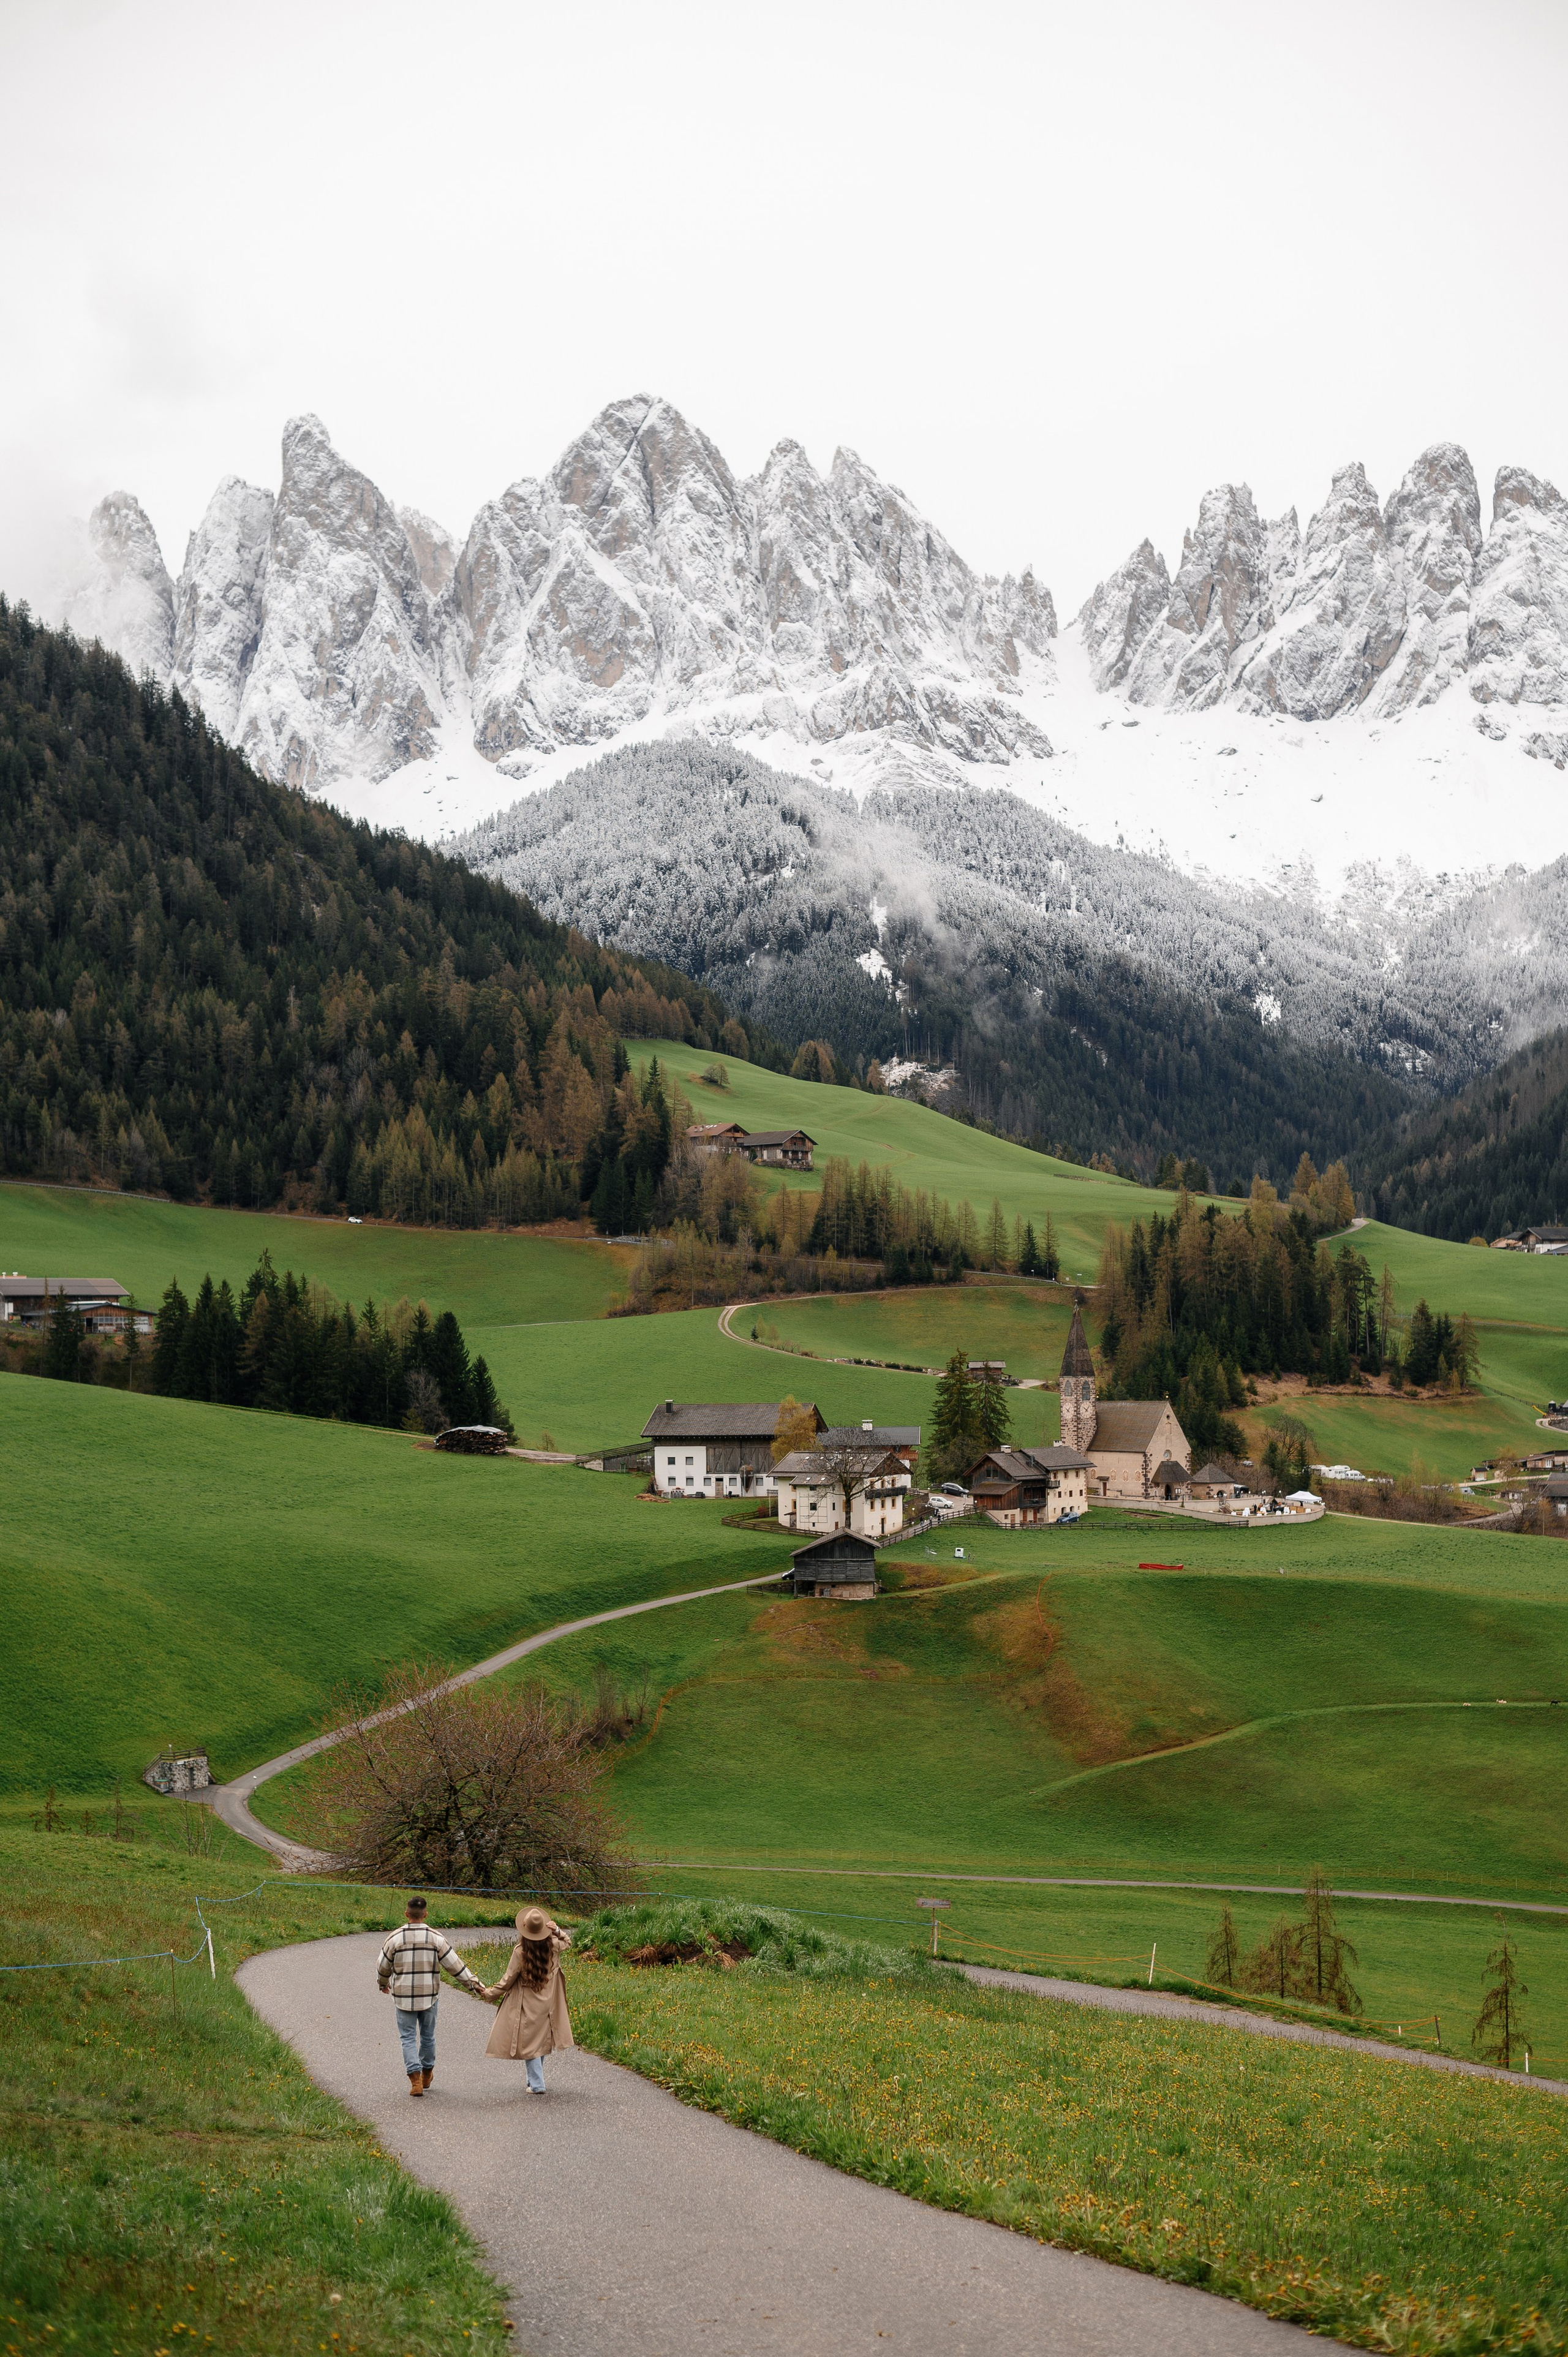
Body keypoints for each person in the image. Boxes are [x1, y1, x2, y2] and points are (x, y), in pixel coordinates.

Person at [377, 1893, 487, 2096]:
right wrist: (476, 1986)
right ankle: (427, 2073)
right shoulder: (436, 1938)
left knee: (408, 2038)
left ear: (406, 1914)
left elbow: (383, 1965)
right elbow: (455, 1966)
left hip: (403, 1999)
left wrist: (383, 1983)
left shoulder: (394, 1938)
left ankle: (416, 2081)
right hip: (429, 1997)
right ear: (425, 1914)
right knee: (428, 2036)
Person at [480, 1904, 574, 2092]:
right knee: (540, 2041)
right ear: (543, 1929)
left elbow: (508, 1980)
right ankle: (533, 2080)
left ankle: (538, 2084)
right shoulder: (553, 1946)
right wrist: (557, 1930)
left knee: (530, 2043)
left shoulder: (520, 1952)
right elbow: (568, 1942)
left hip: (528, 2004)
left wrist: (490, 1993)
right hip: (548, 2003)